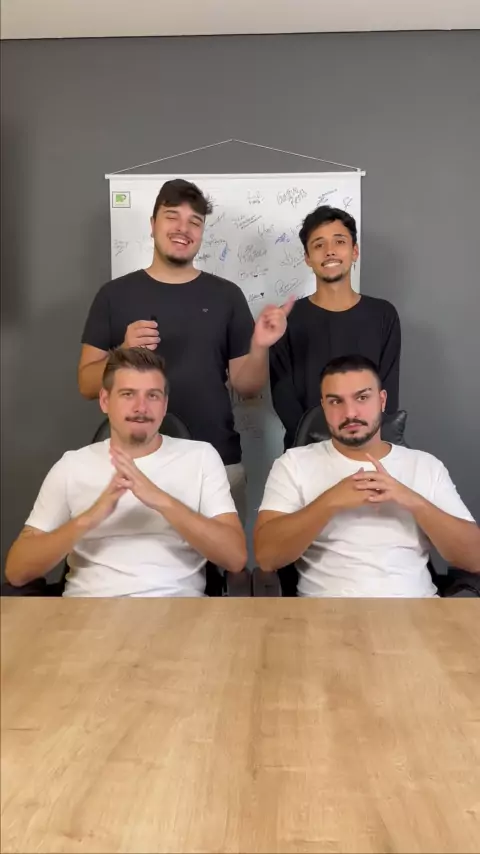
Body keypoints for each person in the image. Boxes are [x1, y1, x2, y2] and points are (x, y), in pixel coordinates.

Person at [78, 178, 293, 520]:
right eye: (172, 217)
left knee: (222, 554)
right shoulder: (113, 296)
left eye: (194, 221)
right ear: (152, 225)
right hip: (135, 464)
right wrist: (123, 351)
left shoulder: (227, 295)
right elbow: (87, 385)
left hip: (217, 461)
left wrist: (259, 346)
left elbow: (247, 385)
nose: (183, 228)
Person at [5, 348, 247, 597]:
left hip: (177, 608)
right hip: (85, 609)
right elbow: (17, 571)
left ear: (164, 405)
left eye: (153, 395)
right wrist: (89, 518)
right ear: (104, 400)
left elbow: (235, 558)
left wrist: (160, 500)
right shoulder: (71, 466)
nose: (141, 407)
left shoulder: (201, 457)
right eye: (128, 394)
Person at [254, 355, 479, 597]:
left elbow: (474, 558)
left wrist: (412, 500)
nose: (350, 413)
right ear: (324, 406)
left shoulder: (425, 466)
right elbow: (267, 558)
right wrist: (330, 502)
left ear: (382, 400)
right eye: (335, 401)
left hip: (417, 609)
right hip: (325, 612)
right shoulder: (293, 464)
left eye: (362, 398)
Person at [269, 206, 401, 448]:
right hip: (306, 450)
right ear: (307, 258)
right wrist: (319, 445)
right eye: (319, 244)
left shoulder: (383, 314)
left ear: (355, 251)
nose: (329, 251)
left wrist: (360, 443)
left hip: (367, 448)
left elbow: (387, 393)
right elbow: (283, 397)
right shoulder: (286, 319)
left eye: (339, 241)